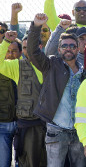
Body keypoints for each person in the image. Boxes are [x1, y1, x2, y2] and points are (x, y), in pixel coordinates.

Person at [27, 13, 86, 167]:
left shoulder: (85, 73)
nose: (68, 49)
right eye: (64, 46)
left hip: (79, 132)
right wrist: (36, 26)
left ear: (77, 49)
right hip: (56, 130)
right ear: (59, 49)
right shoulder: (50, 65)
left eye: (72, 46)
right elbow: (33, 52)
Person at [0, 32, 46, 167]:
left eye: (30, 46)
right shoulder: (17, 66)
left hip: (50, 125)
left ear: (40, 46)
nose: (27, 50)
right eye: (25, 48)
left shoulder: (49, 64)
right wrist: (6, 42)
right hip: (28, 125)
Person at [0, 31, 21, 167]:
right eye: (7, 51)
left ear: (20, 53)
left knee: (23, 161)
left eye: (14, 51)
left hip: (23, 123)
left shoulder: (25, 68)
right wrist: (6, 42)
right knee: (3, 162)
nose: (10, 54)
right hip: (3, 123)